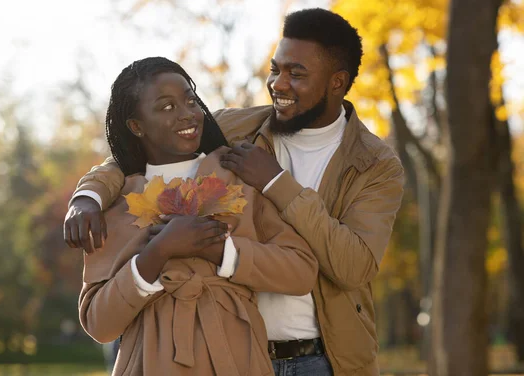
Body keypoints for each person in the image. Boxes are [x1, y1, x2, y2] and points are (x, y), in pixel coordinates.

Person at [66, 8, 404, 376]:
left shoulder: (374, 164)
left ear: (337, 82)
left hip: (320, 359)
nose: (278, 84)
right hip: (236, 352)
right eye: (276, 69)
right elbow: (137, 157)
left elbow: (353, 267)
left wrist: (276, 183)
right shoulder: (233, 127)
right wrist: (89, 196)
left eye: (297, 74)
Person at [77, 56, 318, 376]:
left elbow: (301, 270)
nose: (187, 114)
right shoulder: (115, 204)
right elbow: (98, 324)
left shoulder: (240, 177)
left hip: (237, 360)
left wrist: (220, 250)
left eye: (190, 100)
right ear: (136, 126)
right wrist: (157, 252)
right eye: (166, 107)